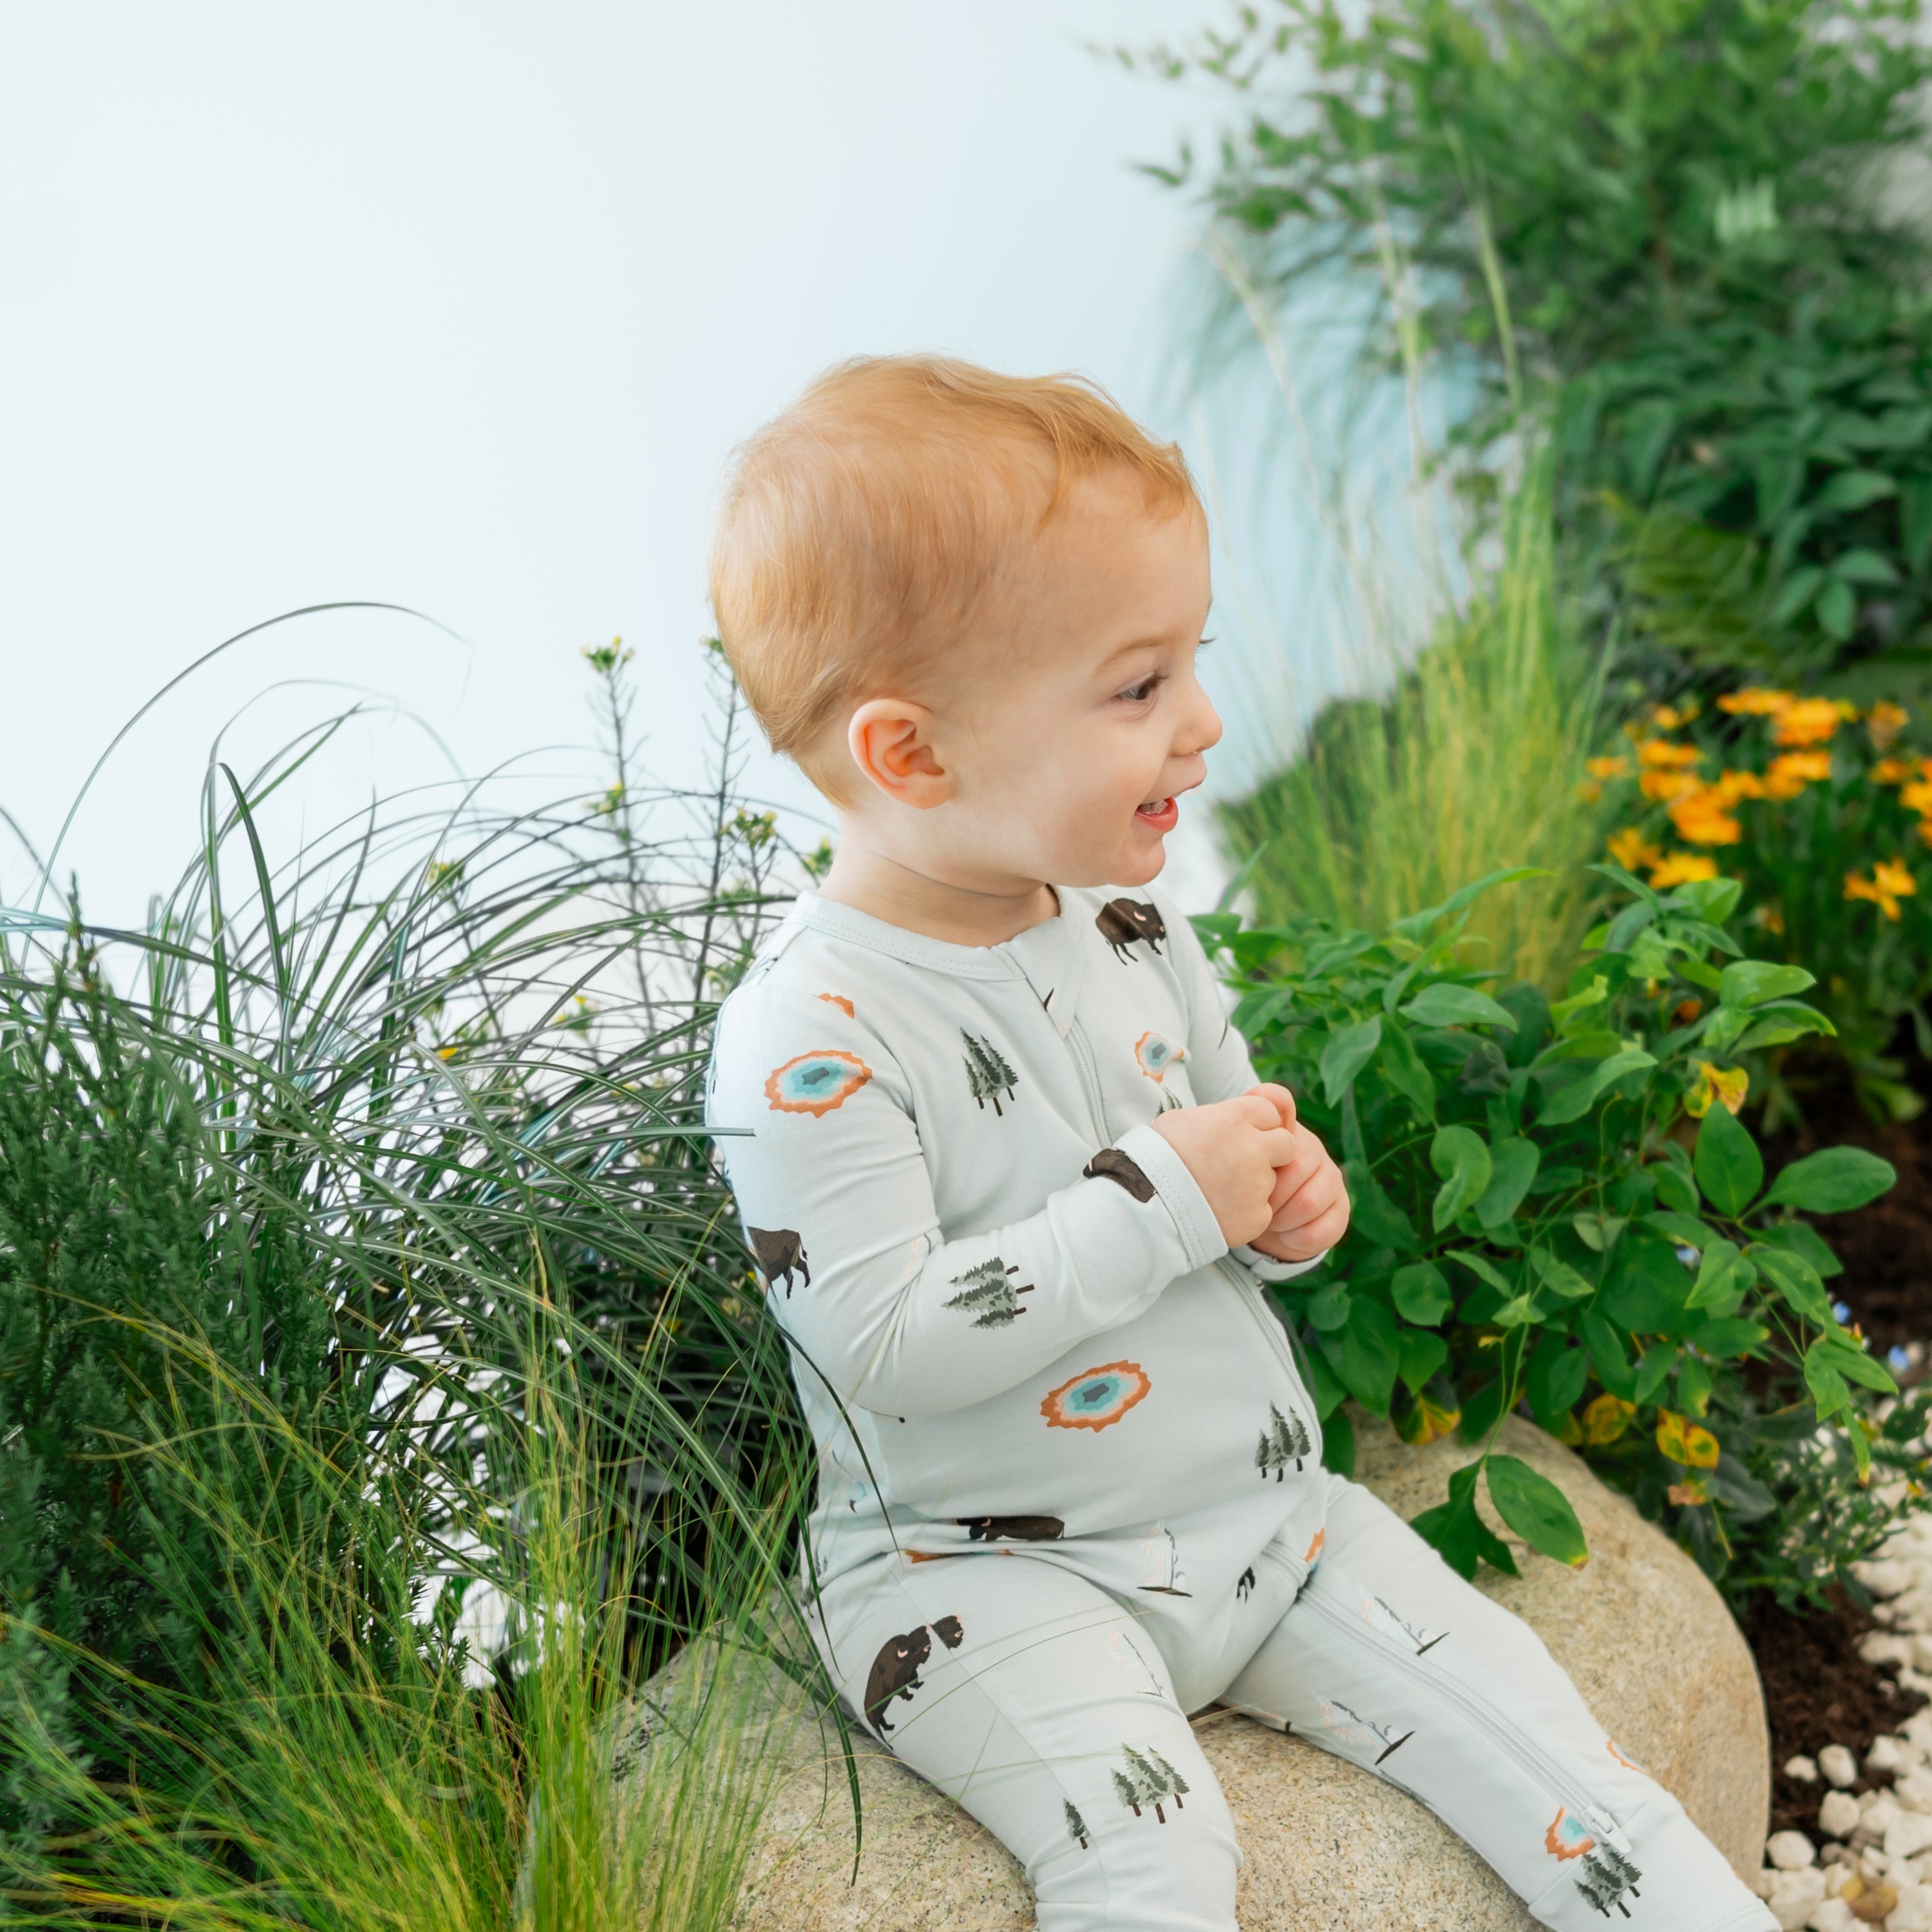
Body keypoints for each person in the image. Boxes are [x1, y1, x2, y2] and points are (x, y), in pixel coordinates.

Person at [703, 356, 1774, 1932]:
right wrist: (1160, 1203)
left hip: (1272, 1522)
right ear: (912, 756)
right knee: (1153, 1861)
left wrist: (1287, 1200)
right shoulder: (812, 1038)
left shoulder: (1133, 924)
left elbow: (1234, 1138)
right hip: (983, 1581)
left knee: (1566, 1764)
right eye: (1137, 689)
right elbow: (883, 1342)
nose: (1204, 723)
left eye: (1190, 664)